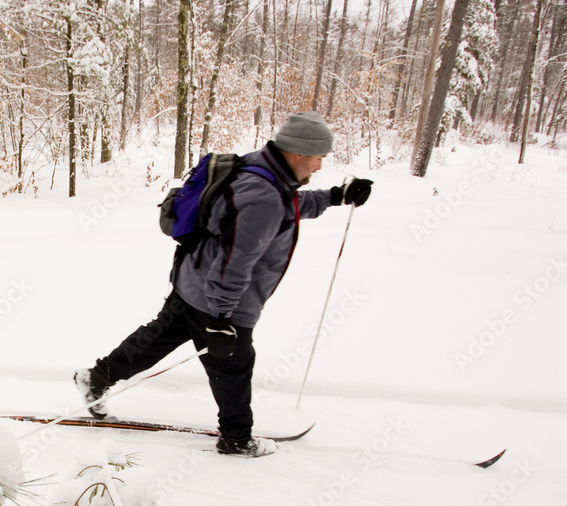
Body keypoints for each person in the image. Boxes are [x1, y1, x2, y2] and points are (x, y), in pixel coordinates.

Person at [74, 112, 373, 457]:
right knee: (233, 366)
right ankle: (236, 438)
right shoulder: (264, 195)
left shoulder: (261, 169)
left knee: (157, 338)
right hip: (220, 301)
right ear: (298, 153)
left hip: (192, 280)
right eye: (319, 157)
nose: (319, 166)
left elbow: (288, 205)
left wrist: (336, 195)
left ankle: (97, 377)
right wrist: (219, 320)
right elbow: (236, 261)